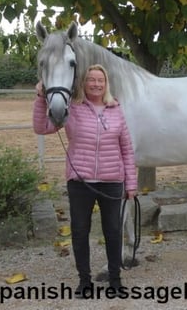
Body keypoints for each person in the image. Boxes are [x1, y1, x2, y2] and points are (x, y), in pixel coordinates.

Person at [33, 64, 138, 298]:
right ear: (84, 83)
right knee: (80, 232)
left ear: (106, 83)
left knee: (112, 231)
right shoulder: (73, 109)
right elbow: (41, 127)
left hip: (112, 182)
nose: (96, 84)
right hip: (80, 182)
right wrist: (41, 98)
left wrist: (131, 183)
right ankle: (84, 281)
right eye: (91, 80)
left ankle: (115, 279)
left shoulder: (116, 109)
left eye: (100, 80)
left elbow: (127, 150)